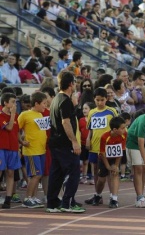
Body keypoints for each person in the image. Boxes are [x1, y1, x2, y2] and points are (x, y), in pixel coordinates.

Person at [47, 71, 85, 213]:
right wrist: (74, 141)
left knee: (56, 173)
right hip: (64, 143)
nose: (75, 85)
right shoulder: (65, 101)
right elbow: (66, 122)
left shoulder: (56, 99)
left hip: (55, 142)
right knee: (74, 171)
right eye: (74, 83)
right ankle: (67, 203)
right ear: (71, 84)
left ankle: (52, 203)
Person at [84, 88, 118, 206]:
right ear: (94, 99)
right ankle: (97, 195)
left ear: (106, 99)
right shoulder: (92, 112)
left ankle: (112, 196)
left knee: (109, 171)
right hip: (95, 146)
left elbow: (117, 127)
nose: (100, 103)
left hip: (108, 147)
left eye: (102, 100)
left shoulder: (112, 111)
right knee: (96, 171)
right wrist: (88, 138)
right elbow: (91, 128)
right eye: (97, 100)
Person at [18, 92, 48, 208]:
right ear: (36, 103)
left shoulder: (41, 115)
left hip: (41, 150)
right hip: (31, 150)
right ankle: (27, 198)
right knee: (36, 175)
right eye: (44, 103)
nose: (45, 106)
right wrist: (21, 142)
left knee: (37, 175)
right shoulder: (25, 115)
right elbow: (17, 129)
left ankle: (33, 197)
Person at [95, 116, 127, 208]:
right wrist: (108, 166)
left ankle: (114, 199)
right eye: (122, 128)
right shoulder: (105, 137)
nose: (124, 130)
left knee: (115, 174)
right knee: (101, 180)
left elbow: (120, 150)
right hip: (104, 158)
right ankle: (97, 195)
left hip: (115, 157)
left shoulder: (124, 135)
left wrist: (116, 166)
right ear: (115, 129)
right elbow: (102, 153)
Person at [0, 93, 20, 209]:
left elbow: (16, 132)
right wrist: (12, 115)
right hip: (2, 147)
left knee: (11, 172)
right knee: (0, 171)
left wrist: (21, 144)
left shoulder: (16, 116)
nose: (14, 104)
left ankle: (8, 199)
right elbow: (9, 127)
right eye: (12, 102)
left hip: (13, 148)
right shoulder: (1, 115)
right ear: (5, 103)